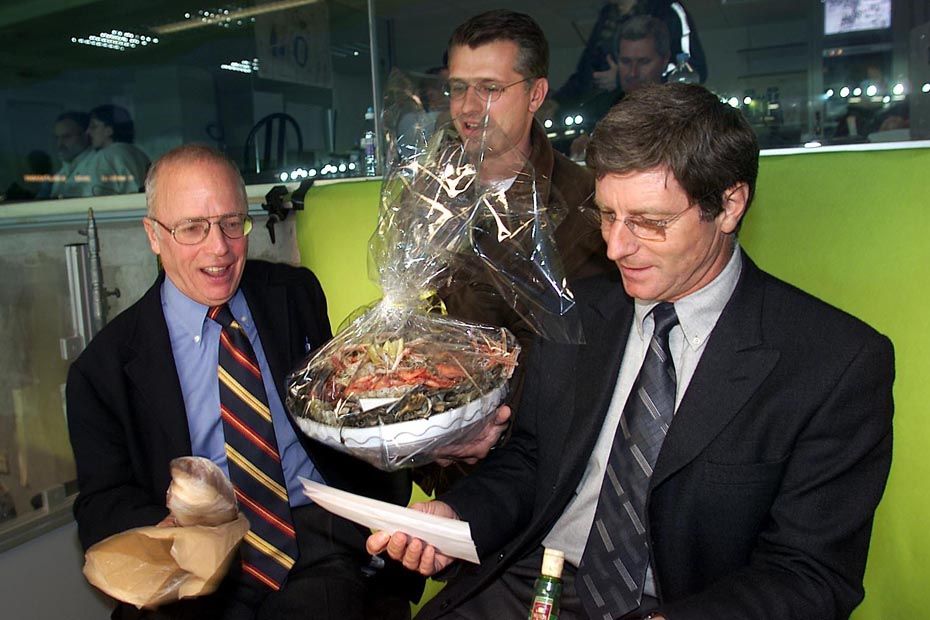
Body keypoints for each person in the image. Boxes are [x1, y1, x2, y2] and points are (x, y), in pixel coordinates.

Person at [369, 83, 895, 620]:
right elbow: (531, 462)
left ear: (729, 205)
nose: (616, 246)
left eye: (648, 222)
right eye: (606, 215)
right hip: (530, 582)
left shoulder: (834, 363)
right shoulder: (578, 310)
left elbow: (810, 575)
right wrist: (457, 517)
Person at [67, 144, 418, 619]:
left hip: (315, 536)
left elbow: (341, 406)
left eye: (232, 223)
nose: (219, 248)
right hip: (198, 560)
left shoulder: (293, 295)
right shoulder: (102, 369)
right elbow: (101, 501)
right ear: (154, 235)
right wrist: (166, 529)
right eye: (193, 227)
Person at [415, 10, 614, 495]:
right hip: (445, 468)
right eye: (458, 87)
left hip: (543, 477)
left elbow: (583, 361)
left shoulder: (584, 206)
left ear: (536, 94)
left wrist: (484, 428)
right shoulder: (425, 194)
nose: (468, 107)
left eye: (490, 88)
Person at [569, 16, 671, 160]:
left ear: (665, 60)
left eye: (644, 62)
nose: (633, 73)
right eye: (626, 61)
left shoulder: (681, 112)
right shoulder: (599, 110)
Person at [85, 103, 151, 195]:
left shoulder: (105, 156)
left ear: (109, 130)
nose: (88, 132)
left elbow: (94, 196)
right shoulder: (140, 154)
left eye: (94, 126)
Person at [46, 111, 96, 199]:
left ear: (85, 136)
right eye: (57, 138)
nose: (59, 144)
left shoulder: (97, 164)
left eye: (66, 137)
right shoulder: (64, 169)